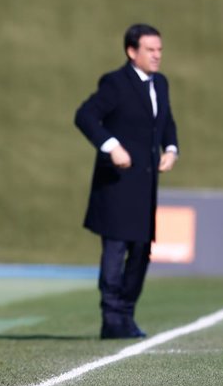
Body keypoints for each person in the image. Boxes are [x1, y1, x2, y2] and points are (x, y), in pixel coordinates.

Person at [74, 23, 179, 340]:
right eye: (150, 50)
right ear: (132, 51)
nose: (157, 55)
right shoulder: (116, 83)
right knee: (115, 251)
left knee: (142, 250)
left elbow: (166, 122)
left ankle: (126, 314)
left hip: (145, 187)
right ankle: (112, 318)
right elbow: (85, 115)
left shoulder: (160, 83)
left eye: (159, 49)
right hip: (116, 185)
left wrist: (171, 149)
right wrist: (111, 145)